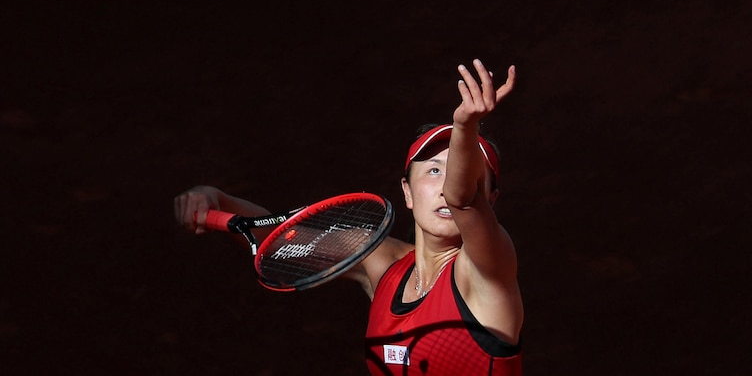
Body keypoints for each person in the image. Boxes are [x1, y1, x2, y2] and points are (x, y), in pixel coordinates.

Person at [174, 59, 523, 375]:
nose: (446, 186)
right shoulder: (383, 263)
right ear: (407, 192)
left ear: (489, 200)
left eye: (470, 173)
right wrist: (216, 198)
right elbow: (282, 242)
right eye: (433, 170)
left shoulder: (488, 269)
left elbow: (462, 200)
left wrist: (465, 126)